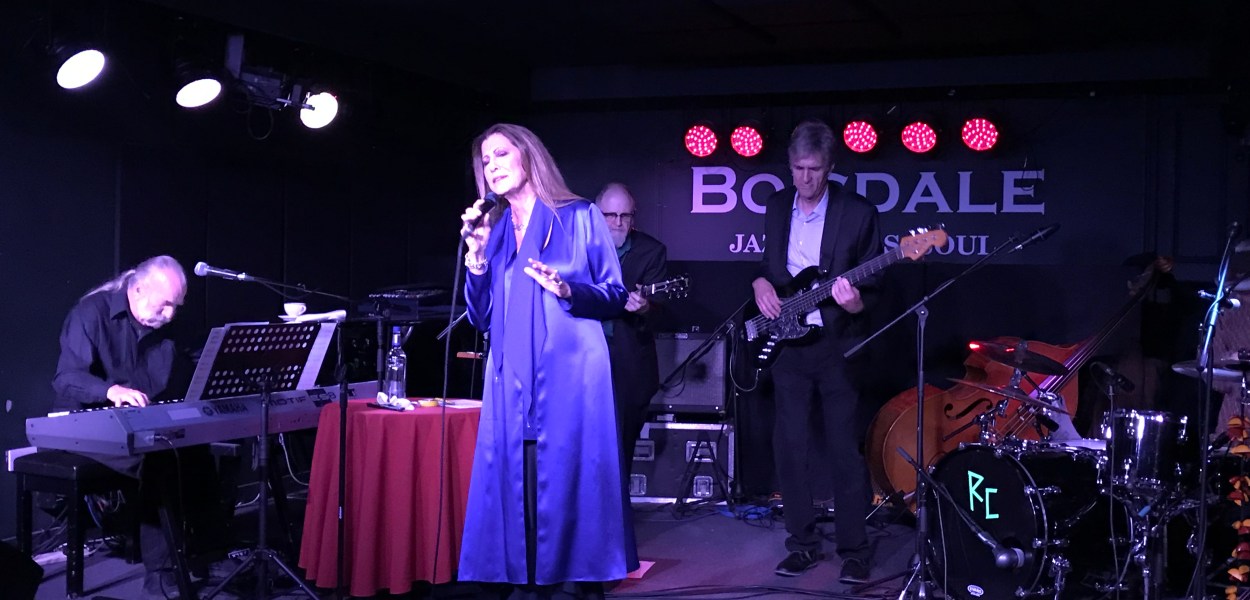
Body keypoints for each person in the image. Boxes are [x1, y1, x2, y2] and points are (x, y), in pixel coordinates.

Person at [458, 123, 634, 597]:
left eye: (500, 154)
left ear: (528, 155)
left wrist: (568, 289)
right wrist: (477, 259)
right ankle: (524, 580)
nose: (492, 166)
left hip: (570, 375)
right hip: (510, 378)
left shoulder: (579, 216)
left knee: (568, 476)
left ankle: (574, 583)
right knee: (519, 478)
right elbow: (481, 316)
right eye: (485, 161)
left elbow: (615, 294)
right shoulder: (493, 231)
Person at [52, 255, 230, 599]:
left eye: (176, 306)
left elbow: (199, 359)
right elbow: (67, 377)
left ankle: (210, 553)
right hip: (84, 422)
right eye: (165, 305)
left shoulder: (170, 324)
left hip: (139, 420)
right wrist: (111, 391)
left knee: (197, 449)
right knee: (160, 457)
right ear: (137, 290)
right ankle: (161, 574)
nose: (171, 315)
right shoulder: (90, 314)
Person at [751, 120, 881, 583]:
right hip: (788, 345)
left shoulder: (858, 213)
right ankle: (802, 544)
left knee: (844, 450)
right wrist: (760, 281)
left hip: (835, 346)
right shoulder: (775, 206)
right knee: (790, 446)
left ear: (830, 167)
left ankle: (855, 550)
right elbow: (768, 264)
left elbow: (876, 283)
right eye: (799, 168)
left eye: (815, 169)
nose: (805, 178)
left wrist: (856, 302)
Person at [594, 183, 668, 483]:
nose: (618, 222)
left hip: (627, 363)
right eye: (610, 215)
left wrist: (645, 307)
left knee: (620, 447)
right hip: (584, 360)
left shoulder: (651, 252)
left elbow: (661, 311)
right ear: (596, 215)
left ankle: (618, 509)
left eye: (625, 215)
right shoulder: (578, 248)